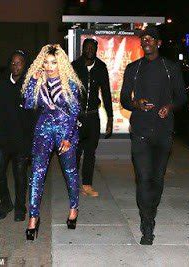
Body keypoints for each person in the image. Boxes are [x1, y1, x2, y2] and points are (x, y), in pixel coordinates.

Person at [120, 26, 187, 245]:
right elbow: (123, 99)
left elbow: (182, 97)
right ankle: (146, 223)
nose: (146, 41)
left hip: (163, 132)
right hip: (140, 132)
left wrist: (169, 106)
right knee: (143, 178)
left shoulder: (171, 68)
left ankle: (151, 211)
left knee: (157, 180)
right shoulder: (133, 69)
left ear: (158, 43)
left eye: (151, 38)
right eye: (144, 38)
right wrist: (135, 103)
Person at [22, 44, 82, 240]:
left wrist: (68, 137)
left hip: (66, 130)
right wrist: (33, 80)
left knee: (70, 172)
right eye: (46, 62)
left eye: (53, 63)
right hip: (44, 129)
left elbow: (74, 112)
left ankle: (74, 208)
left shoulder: (69, 83)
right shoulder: (39, 81)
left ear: (61, 63)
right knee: (37, 173)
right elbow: (29, 104)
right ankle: (33, 217)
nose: (49, 67)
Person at [0, 50, 35, 222]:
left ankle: (20, 206)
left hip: (21, 140)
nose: (16, 66)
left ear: (25, 65)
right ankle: (5, 202)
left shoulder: (30, 85)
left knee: (20, 175)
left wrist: (35, 141)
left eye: (20, 63)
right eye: (13, 62)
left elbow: (36, 115)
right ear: (9, 64)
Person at [72, 38, 113, 197]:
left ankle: (87, 185)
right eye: (87, 47)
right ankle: (73, 184)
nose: (89, 50)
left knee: (90, 152)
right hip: (77, 116)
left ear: (96, 50)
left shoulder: (101, 67)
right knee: (75, 152)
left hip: (93, 117)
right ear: (83, 49)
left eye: (92, 48)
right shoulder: (74, 66)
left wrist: (110, 116)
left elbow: (107, 92)